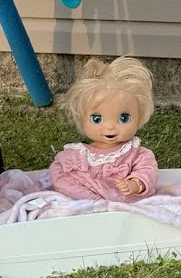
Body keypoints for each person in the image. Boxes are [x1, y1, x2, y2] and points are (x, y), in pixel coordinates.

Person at [50, 56, 159, 202]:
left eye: (124, 118)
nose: (110, 126)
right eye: (97, 119)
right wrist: (84, 196)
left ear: (140, 117)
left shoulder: (137, 154)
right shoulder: (74, 156)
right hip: (84, 205)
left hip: (123, 207)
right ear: (80, 119)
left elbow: (147, 171)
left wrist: (135, 184)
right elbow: (60, 178)